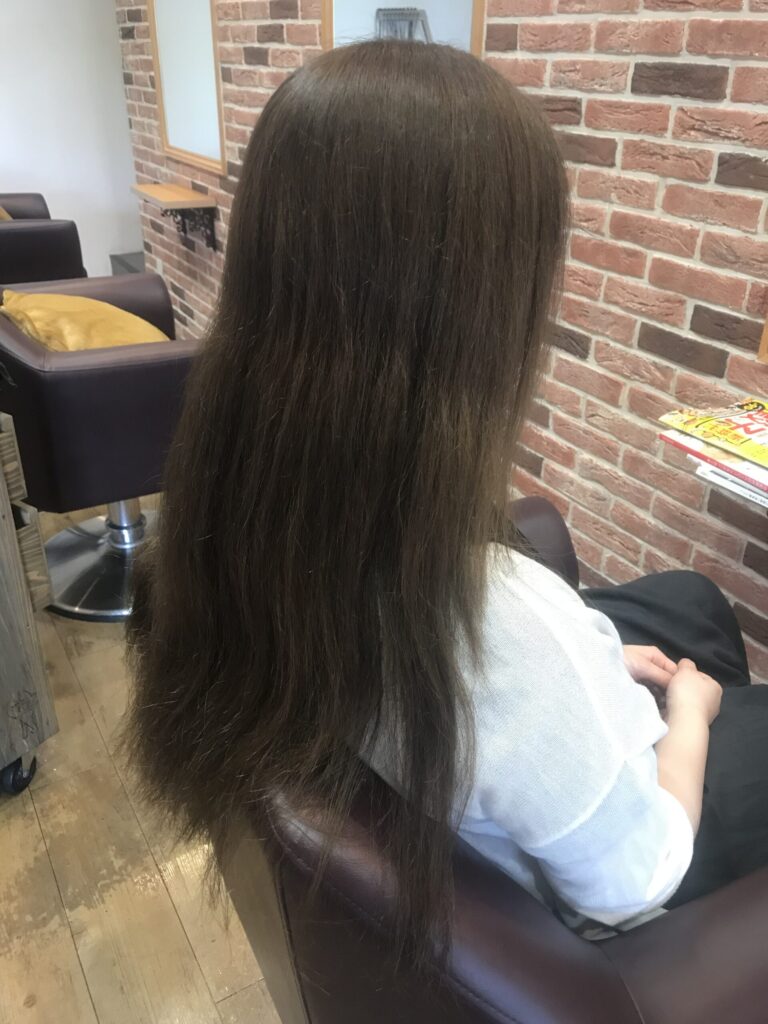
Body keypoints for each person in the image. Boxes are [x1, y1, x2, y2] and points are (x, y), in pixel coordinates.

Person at [122, 39, 768, 965]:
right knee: (721, 687)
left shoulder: (240, 511)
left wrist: (590, 663)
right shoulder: (506, 633)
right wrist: (692, 717)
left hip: (474, 721)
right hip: (627, 878)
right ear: (478, 312)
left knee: (694, 603)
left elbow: (503, 676)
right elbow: (637, 876)